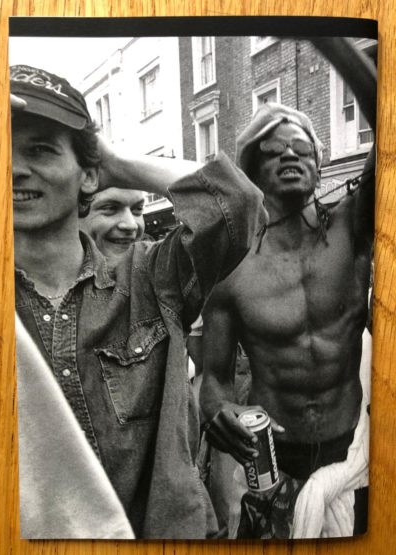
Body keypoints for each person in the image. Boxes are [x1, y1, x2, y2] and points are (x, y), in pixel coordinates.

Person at [10, 64, 267, 539]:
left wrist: (111, 163)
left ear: (87, 174)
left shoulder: (151, 278)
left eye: (40, 149)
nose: (13, 167)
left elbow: (237, 204)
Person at [200, 40, 375, 538]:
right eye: (274, 152)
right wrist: (216, 409)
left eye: (301, 148)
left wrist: (327, 36)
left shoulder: (352, 228)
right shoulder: (230, 266)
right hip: (273, 461)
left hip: (354, 450)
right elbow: (212, 378)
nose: (290, 155)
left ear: (320, 165)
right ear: (253, 173)